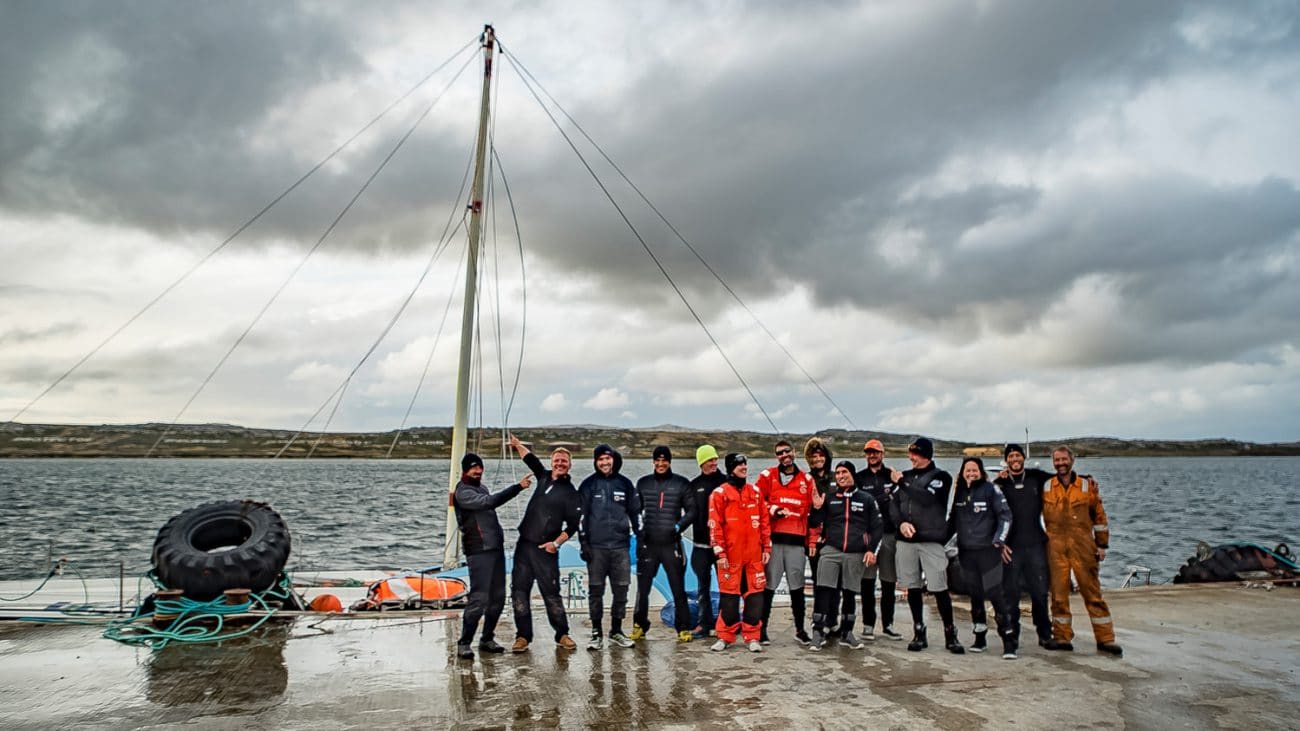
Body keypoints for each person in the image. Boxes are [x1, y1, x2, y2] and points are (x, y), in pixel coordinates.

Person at [1042, 446, 1123, 657]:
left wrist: (1102, 545)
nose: (1060, 463)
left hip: (1083, 547)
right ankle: (1062, 637)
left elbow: (1099, 517)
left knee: (1092, 594)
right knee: (1058, 596)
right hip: (1056, 547)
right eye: (1056, 460)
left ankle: (1105, 638)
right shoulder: (1047, 487)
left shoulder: (1087, 486)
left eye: (1063, 459)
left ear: (1072, 460)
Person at [451, 452, 531, 659]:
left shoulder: (481, 487)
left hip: (495, 549)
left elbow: (488, 501)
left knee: (498, 598)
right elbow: (489, 502)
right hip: (478, 551)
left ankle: (487, 638)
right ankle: (464, 642)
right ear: (465, 470)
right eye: (473, 468)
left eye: (480, 468)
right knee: (479, 598)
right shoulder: (463, 492)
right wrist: (517, 488)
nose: (477, 471)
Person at [507, 434, 581, 653]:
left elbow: (573, 526)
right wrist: (517, 445)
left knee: (551, 593)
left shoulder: (571, 493)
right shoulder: (544, 476)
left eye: (564, 461)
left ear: (569, 465)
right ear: (552, 462)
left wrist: (555, 544)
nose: (560, 463)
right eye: (557, 460)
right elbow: (530, 459)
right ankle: (522, 636)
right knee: (519, 592)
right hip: (524, 545)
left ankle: (562, 634)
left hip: (546, 550)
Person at [890, 437, 964, 654]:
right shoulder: (906, 477)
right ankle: (918, 630)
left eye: (916, 454)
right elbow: (893, 505)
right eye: (910, 453)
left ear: (926, 455)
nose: (911, 458)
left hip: (931, 541)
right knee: (912, 587)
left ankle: (950, 633)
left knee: (939, 587)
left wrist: (901, 482)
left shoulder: (941, 477)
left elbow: (927, 499)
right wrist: (900, 523)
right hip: (906, 541)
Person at [809, 460, 882, 651]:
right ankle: (818, 631)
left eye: (845, 472)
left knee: (850, 592)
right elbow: (814, 523)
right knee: (824, 590)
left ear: (852, 474)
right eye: (838, 473)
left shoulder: (866, 499)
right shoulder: (831, 498)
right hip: (831, 550)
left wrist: (870, 549)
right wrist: (816, 507)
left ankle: (847, 632)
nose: (841, 476)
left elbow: (877, 527)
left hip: (855, 552)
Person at [950, 456, 1017, 658]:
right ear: (962, 473)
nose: (971, 473)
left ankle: (1009, 641)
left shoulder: (991, 489)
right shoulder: (960, 493)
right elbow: (952, 521)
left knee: (995, 593)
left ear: (981, 472)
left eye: (974, 470)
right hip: (967, 553)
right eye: (967, 470)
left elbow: (1005, 516)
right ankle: (980, 637)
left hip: (988, 553)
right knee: (976, 596)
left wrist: (999, 540)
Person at [755, 440, 820, 645]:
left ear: (794, 452)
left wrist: (812, 541)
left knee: (797, 588)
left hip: (796, 544)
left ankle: (800, 630)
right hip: (774, 543)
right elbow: (756, 501)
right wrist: (773, 510)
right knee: (769, 587)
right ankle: (762, 629)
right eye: (779, 453)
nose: (784, 455)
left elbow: (813, 514)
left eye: (787, 451)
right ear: (777, 457)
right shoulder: (767, 476)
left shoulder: (807, 480)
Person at [578, 444, 643, 650]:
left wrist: (640, 539)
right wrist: (583, 542)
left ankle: (616, 630)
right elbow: (580, 517)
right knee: (596, 591)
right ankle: (596, 633)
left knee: (621, 590)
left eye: (607, 459)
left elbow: (636, 514)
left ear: (613, 459)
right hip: (596, 549)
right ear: (595, 462)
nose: (605, 463)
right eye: (600, 460)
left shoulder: (625, 484)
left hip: (620, 548)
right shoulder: (588, 485)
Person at [993, 443, 1056, 650]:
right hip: (1011, 548)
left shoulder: (1036, 477)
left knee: (1039, 592)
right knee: (1010, 594)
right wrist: (999, 544)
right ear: (1006, 460)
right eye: (1010, 456)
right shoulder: (1000, 483)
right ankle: (1013, 636)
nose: (1014, 460)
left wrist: (1085, 479)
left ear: (1023, 458)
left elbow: (1061, 479)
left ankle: (1045, 634)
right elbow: (992, 517)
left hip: (1036, 544)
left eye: (1018, 456)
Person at [631, 446, 695, 643]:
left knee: (678, 588)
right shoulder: (643, 483)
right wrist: (639, 534)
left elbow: (692, 511)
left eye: (664, 460)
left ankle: (683, 628)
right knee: (643, 589)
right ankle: (640, 625)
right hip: (649, 546)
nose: (660, 464)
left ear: (669, 461)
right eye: (657, 460)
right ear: (653, 462)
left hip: (671, 545)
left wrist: (677, 528)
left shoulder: (681, 483)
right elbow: (634, 511)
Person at [708, 453, 771, 653]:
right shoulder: (719, 493)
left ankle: (752, 637)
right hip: (730, 557)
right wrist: (720, 553)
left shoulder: (755, 492)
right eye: (739, 464)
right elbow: (714, 525)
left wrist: (767, 547)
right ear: (730, 468)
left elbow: (764, 522)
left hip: (754, 557)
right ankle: (725, 637)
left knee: (755, 598)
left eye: (745, 463)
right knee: (729, 599)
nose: (744, 466)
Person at [854, 439, 903, 641]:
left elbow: (903, 499)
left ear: (883, 453)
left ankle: (888, 625)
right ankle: (867, 624)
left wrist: (898, 482)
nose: (872, 456)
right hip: (868, 537)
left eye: (875, 452)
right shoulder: (859, 478)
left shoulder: (890, 476)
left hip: (889, 534)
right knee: (867, 582)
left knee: (888, 581)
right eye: (868, 452)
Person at [687, 445, 726, 638]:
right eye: (710, 460)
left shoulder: (726, 482)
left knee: (725, 586)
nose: (714, 463)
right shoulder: (694, 485)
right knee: (703, 587)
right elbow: (687, 514)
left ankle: (724, 623)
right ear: (701, 462)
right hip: (700, 546)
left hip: (722, 547)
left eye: (715, 459)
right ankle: (704, 624)